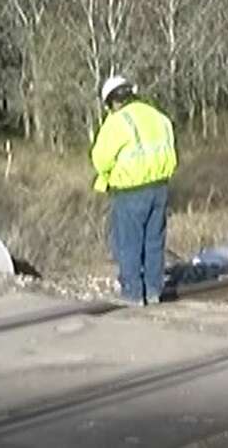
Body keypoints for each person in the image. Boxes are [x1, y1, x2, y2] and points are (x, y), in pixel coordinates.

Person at [91, 76, 178, 307]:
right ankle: (153, 291)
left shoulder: (118, 122)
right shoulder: (158, 117)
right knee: (153, 242)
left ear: (111, 102)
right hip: (159, 188)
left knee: (129, 244)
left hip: (130, 191)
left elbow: (100, 159)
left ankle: (132, 294)